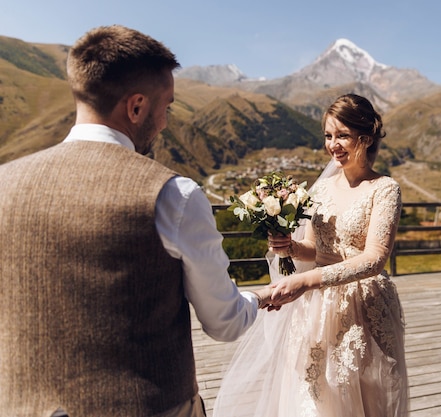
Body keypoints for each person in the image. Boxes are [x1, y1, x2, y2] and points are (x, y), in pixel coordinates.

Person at [0, 25, 272, 417]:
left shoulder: (6, 182)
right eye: (168, 106)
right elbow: (224, 322)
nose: (165, 120)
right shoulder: (173, 195)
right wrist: (260, 297)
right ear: (137, 107)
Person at [214, 94, 409, 416]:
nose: (333, 145)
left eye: (342, 135)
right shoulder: (320, 190)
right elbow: (315, 248)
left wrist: (306, 281)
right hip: (315, 305)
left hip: (362, 304)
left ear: (366, 137)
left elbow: (375, 258)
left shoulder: (384, 188)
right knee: (312, 394)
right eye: (328, 136)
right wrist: (289, 247)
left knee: (359, 394)